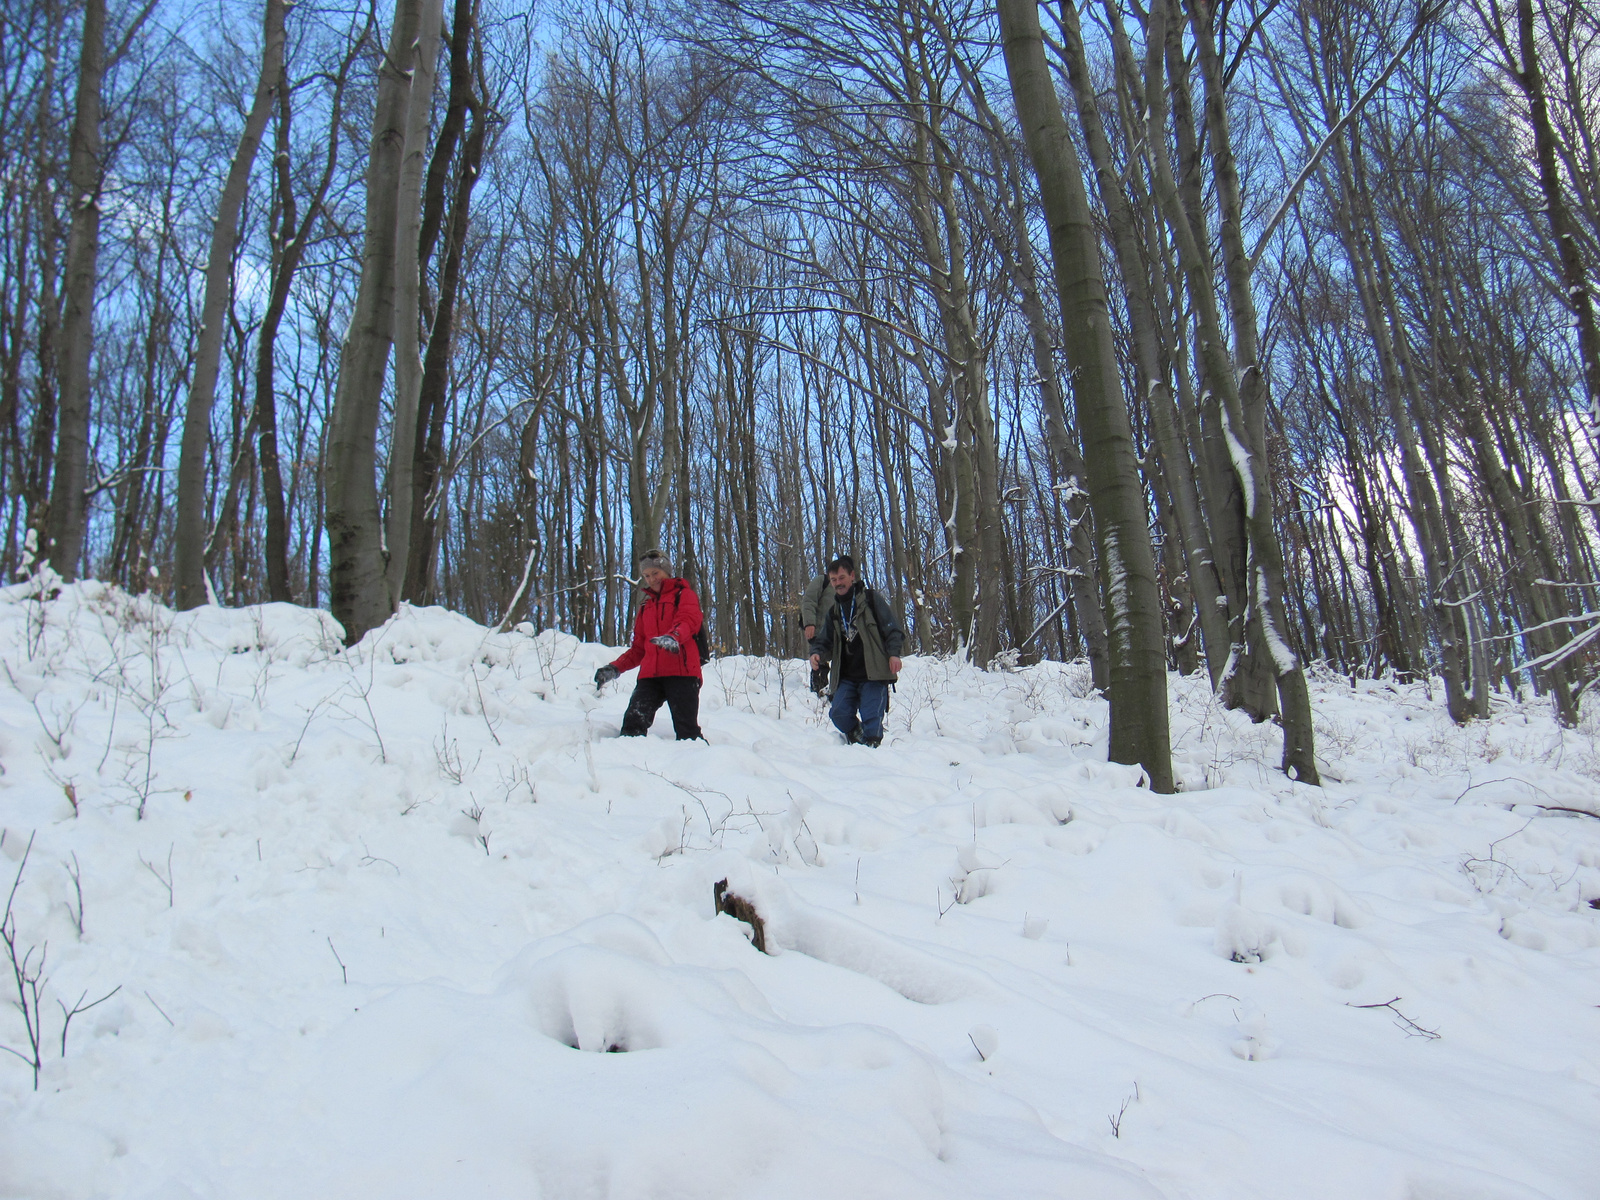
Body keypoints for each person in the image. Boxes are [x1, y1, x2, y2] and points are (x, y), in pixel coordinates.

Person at [594, 549, 705, 741]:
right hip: (651, 676)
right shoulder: (646, 606)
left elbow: (689, 620)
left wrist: (674, 637)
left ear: (667, 572)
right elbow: (639, 648)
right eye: (646, 575)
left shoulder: (684, 595)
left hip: (682, 673)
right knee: (632, 726)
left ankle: (706, 767)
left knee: (688, 733)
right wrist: (615, 668)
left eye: (656, 573)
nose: (652, 579)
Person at [808, 554, 904, 747]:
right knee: (838, 713)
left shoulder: (870, 599)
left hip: (873, 674)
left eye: (842, 578)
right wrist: (816, 653)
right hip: (847, 676)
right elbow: (824, 640)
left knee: (871, 718)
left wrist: (894, 653)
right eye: (834, 580)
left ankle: (873, 749)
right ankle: (858, 738)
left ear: (852, 576)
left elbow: (892, 628)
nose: (838, 583)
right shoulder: (834, 611)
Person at [799, 568, 836, 695]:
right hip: (819, 630)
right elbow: (808, 601)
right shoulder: (822, 581)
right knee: (820, 662)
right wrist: (809, 623)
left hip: (839, 634)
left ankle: (834, 694)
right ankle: (818, 694)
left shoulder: (849, 587)